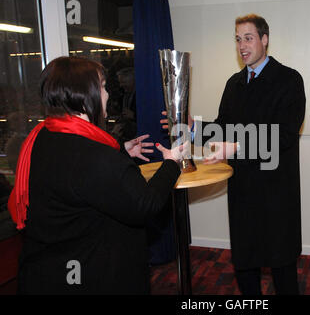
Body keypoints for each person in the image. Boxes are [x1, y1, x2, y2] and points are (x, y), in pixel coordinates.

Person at [8, 56, 182, 294]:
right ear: (84, 94)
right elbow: (146, 203)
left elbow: (79, 179)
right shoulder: (95, 156)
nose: (107, 94)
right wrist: (171, 163)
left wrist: (121, 151)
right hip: (92, 274)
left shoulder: (41, 137)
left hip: (47, 269)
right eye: (101, 86)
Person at [163, 14, 306, 295]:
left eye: (249, 38)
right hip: (242, 190)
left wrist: (237, 147)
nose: (242, 45)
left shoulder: (289, 80)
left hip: (277, 192)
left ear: (265, 40)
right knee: (245, 266)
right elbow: (222, 129)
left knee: (283, 270)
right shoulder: (234, 83)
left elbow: (284, 134)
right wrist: (192, 128)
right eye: (238, 39)